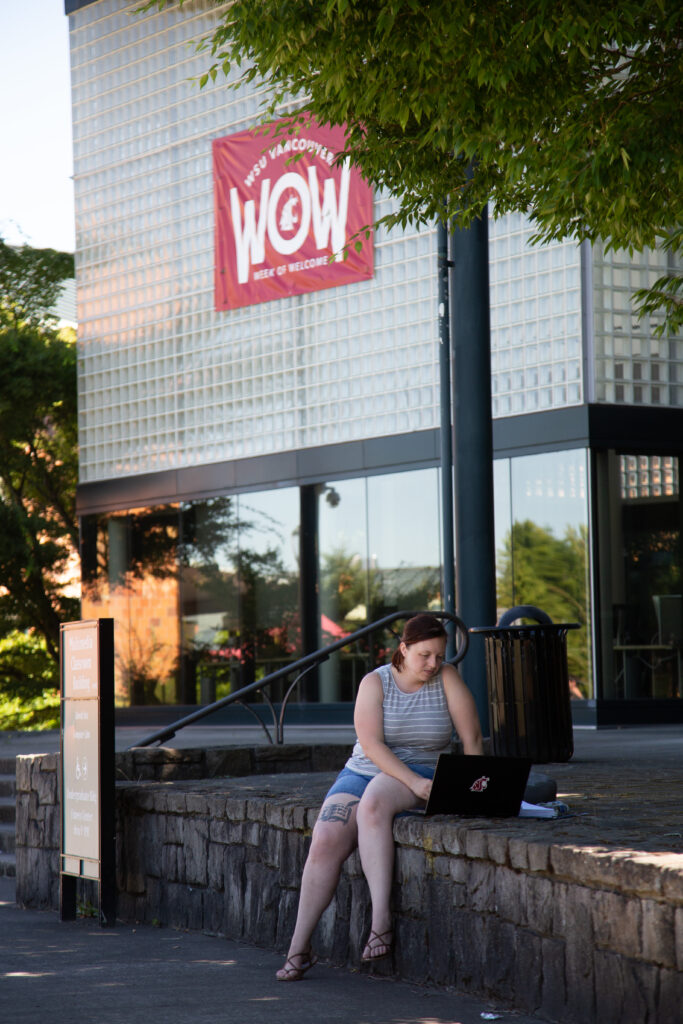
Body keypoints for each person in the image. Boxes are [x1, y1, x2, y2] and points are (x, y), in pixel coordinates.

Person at [276, 613, 483, 981]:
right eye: (425, 655)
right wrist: (411, 783)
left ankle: (380, 922)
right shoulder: (375, 682)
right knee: (324, 839)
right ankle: (298, 948)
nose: (434, 664)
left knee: (374, 803)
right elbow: (370, 745)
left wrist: (475, 787)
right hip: (365, 769)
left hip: (422, 769)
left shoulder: (447, 678)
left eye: (439, 655)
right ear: (403, 649)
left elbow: (472, 740)